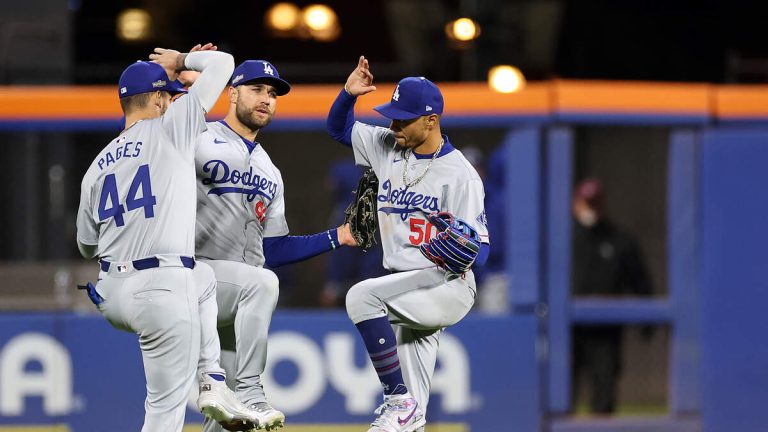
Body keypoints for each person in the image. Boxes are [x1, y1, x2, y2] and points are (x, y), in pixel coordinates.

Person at [75, 47, 260, 431]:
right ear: (159, 99)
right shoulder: (172, 125)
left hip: (112, 292)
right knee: (164, 413)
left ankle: (213, 380)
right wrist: (180, 62)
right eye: (168, 94)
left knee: (204, 279)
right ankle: (209, 383)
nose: (171, 99)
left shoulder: (95, 167)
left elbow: (86, 245)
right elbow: (224, 64)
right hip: (160, 287)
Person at [326, 56, 490, 432]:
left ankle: (397, 398)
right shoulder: (387, 145)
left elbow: (482, 250)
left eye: (404, 118)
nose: (393, 124)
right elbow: (339, 129)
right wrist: (348, 94)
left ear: (431, 120)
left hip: (444, 285)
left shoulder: (461, 175)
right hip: (403, 283)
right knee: (404, 423)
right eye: (392, 115)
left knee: (361, 297)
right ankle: (406, 408)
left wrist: (468, 250)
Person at [193, 59, 358, 431]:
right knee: (173, 402)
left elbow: (275, 250)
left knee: (232, 419)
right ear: (232, 93)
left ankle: (245, 396)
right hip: (192, 279)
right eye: (256, 89)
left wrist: (339, 237)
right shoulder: (198, 136)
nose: (266, 98)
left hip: (232, 299)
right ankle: (253, 389)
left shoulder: (269, 170)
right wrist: (187, 80)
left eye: (272, 93)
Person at [570, 177, 654, 414]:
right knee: (561, 397)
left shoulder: (619, 240)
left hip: (604, 331)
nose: (590, 209)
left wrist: (647, 322)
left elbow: (641, 282)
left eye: (594, 203)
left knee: (604, 396)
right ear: (575, 203)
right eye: (586, 203)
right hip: (566, 332)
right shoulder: (562, 239)